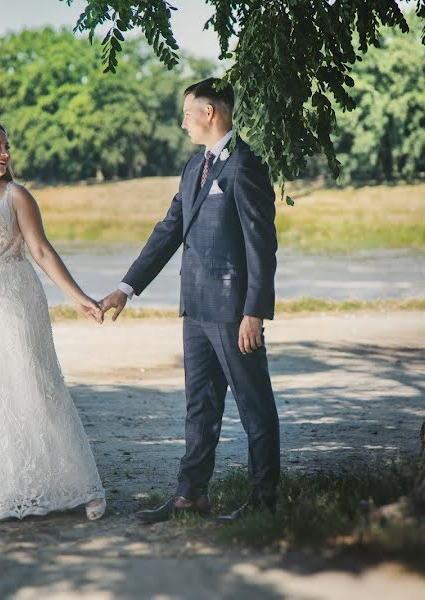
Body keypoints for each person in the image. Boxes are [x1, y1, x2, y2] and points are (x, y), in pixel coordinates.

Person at [99, 78, 280, 523]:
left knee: (254, 406)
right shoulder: (192, 168)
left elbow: (262, 245)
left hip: (234, 312)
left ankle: (264, 501)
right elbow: (168, 231)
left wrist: (254, 312)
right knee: (199, 406)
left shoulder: (246, 165)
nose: (182, 123)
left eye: (187, 113)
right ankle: (191, 496)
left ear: (209, 113)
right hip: (195, 310)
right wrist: (126, 287)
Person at [0, 121, 106, 522]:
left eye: (7, 146)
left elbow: (42, 252)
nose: (5, 153)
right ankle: (9, 491)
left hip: (18, 304)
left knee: (37, 389)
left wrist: (79, 297)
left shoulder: (17, 196)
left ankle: (82, 486)